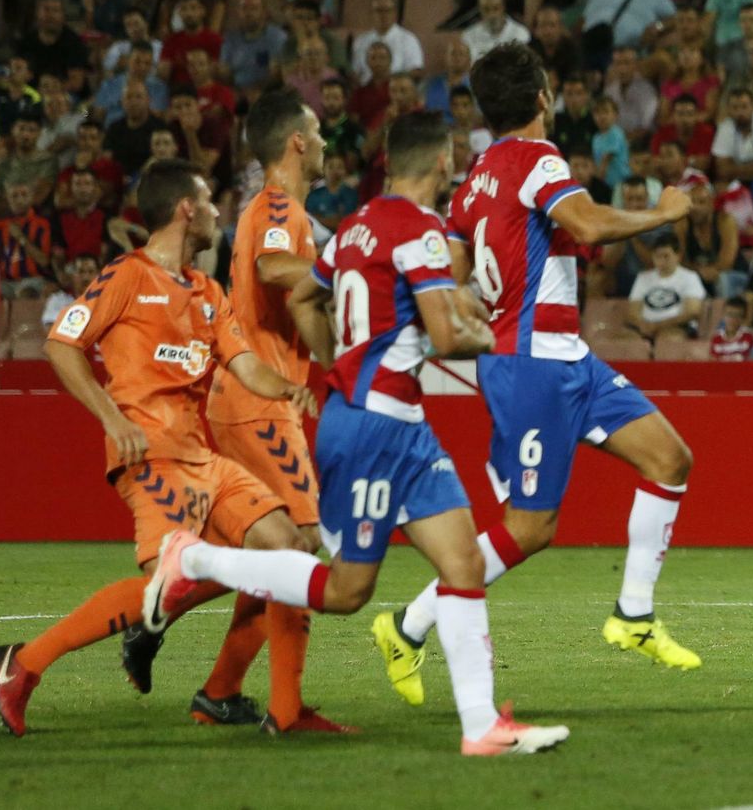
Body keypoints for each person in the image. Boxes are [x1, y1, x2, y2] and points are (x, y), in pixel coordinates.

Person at [141, 117, 569, 756]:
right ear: (443, 160)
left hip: (401, 426)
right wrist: (494, 332)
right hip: (371, 429)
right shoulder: (420, 231)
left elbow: (306, 299)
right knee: (347, 590)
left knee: (463, 563)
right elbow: (449, 338)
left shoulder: (353, 228)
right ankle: (194, 560)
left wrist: (342, 357)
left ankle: (482, 727)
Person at [370, 44, 702, 705]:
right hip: (532, 366)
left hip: (561, 355)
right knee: (530, 528)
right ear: (544, 98)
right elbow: (586, 220)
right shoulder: (537, 160)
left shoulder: (474, 182)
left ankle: (632, 616)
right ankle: (406, 627)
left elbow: (460, 278)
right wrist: (663, 214)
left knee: (669, 458)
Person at [0, 160, 320, 738]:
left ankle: (286, 714)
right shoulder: (126, 276)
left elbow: (244, 365)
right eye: (210, 201)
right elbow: (62, 346)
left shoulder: (208, 291)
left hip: (204, 459)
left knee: (290, 554)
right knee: (171, 582)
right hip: (151, 457)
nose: (219, 210)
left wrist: (288, 386)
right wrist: (113, 418)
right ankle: (25, 665)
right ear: (186, 209)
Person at [156, 90, 333, 732]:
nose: (324, 143)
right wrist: (345, 266)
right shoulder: (281, 207)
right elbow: (276, 265)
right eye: (316, 131)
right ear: (296, 142)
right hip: (259, 402)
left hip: (248, 398)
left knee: (261, 558)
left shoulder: (273, 206)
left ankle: (217, 688)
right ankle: (287, 711)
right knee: (303, 550)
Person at [628, 234, 706, 343]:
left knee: (668, 340)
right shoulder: (643, 278)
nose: (661, 261)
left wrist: (658, 326)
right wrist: (643, 326)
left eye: (666, 256)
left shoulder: (690, 277)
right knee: (624, 339)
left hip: (678, 327)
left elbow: (692, 312)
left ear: (678, 255)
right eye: (657, 256)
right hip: (644, 328)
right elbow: (632, 312)